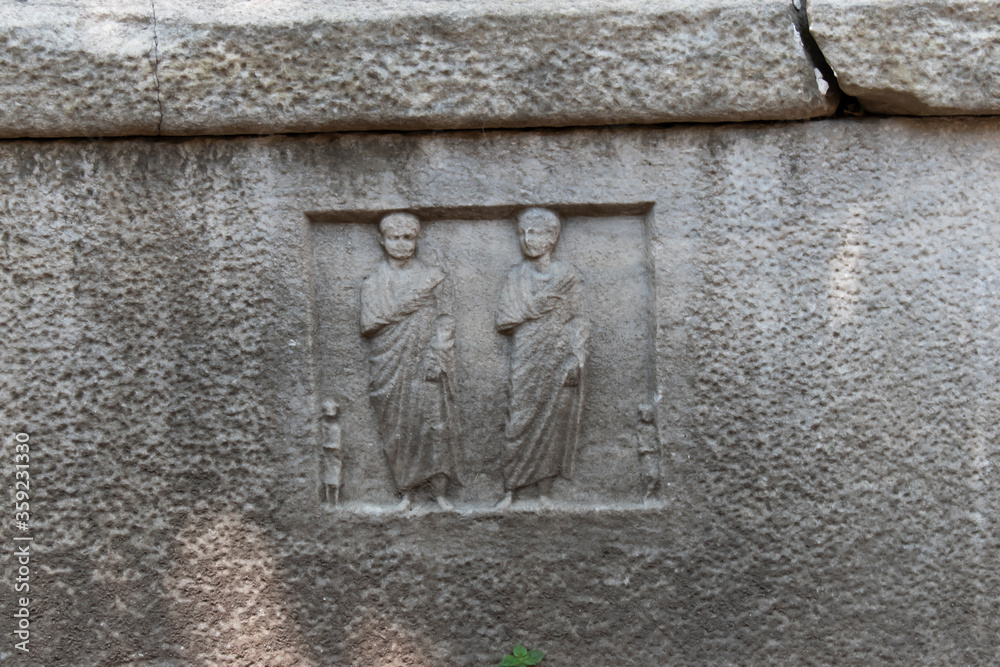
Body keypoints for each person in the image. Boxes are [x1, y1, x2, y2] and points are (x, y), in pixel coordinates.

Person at [360, 212, 459, 511]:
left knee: (433, 423)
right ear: (382, 240)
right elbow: (368, 323)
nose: (401, 244)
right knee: (398, 426)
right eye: (394, 238)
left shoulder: (434, 278)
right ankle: (405, 492)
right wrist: (404, 308)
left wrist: (438, 353)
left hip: (427, 360)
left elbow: (446, 319)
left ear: (416, 240)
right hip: (389, 362)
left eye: (408, 238)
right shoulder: (374, 282)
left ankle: (439, 491)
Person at [495, 208, 588, 509]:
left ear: (551, 238)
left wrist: (576, 356)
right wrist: (534, 306)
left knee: (552, 422)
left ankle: (544, 493)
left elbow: (579, 319)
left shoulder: (568, 276)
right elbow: (504, 319)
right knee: (519, 417)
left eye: (534, 233)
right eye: (522, 234)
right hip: (526, 355)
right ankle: (510, 490)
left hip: (558, 355)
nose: (526, 240)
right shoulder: (515, 276)